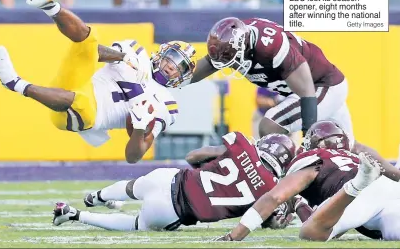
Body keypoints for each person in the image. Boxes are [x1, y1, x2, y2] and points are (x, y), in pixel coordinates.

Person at [0, 0, 196, 163]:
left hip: (86, 116)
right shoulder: (137, 52)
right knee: (90, 38)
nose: (172, 66)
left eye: (180, 67)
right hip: (78, 83)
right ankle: (49, 5)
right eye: (172, 58)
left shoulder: (167, 106)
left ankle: (15, 83)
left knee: (82, 102)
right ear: (161, 53)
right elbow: (93, 52)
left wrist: (140, 127)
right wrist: (122, 57)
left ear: (183, 77)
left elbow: (133, 157)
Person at [183, 16, 387, 170]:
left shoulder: (271, 45)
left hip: (322, 86)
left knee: (270, 124)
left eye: (232, 58)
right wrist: (172, 81)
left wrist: (310, 141)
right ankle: (396, 175)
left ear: (244, 46)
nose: (231, 65)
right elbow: (209, 64)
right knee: (350, 147)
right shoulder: (233, 41)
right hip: (310, 90)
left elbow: (307, 92)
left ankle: (280, 178)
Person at [52, 132, 299, 231]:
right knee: (138, 225)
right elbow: (267, 223)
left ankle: (96, 197)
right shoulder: (273, 189)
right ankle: (74, 215)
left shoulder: (242, 144)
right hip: (173, 212)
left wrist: (212, 165)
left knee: (133, 187)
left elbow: (194, 157)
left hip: (170, 179)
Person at [216, 120, 400, 242]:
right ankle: (358, 183)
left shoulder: (313, 159)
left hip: (361, 191)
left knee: (309, 233)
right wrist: (297, 203)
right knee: (392, 233)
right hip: (387, 189)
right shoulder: (350, 156)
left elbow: (274, 197)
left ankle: (357, 184)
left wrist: (234, 236)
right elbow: (328, 219)